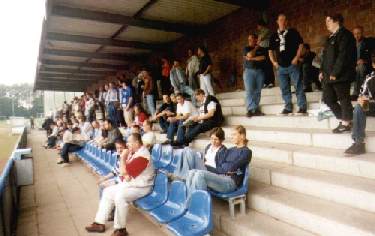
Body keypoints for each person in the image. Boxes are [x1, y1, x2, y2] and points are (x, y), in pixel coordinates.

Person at [85, 133, 155, 236]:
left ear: (136, 143)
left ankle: (120, 229)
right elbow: (123, 173)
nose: (127, 144)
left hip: (142, 187)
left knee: (120, 197)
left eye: (129, 142)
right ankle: (99, 223)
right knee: (107, 191)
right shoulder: (134, 151)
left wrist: (123, 157)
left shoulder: (144, 155)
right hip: (131, 183)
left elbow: (124, 172)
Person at [186, 125, 252, 194]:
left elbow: (233, 167)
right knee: (192, 172)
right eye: (232, 135)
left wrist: (227, 168)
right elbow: (220, 166)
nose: (232, 137)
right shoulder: (230, 150)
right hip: (220, 177)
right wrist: (226, 168)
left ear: (242, 136)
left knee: (200, 174)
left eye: (234, 135)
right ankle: (190, 200)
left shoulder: (246, 152)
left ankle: (200, 202)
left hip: (231, 182)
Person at [321, 13, 356, 133]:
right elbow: (325, 57)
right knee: (328, 99)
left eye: (329, 21)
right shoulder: (331, 37)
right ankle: (344, 119)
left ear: (336, 21)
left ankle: (346, 123)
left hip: (341, 75)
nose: (326, 24)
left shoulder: (346, 35)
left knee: (343, 98)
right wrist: (322, 71)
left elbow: (343, 56)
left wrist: (335, 72)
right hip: (328, 75)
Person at [269, 13, 307, 115]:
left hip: (292, 64)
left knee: (298, 86)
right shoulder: (273, 36)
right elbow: (270, 51)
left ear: (286, 22)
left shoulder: (293, 32)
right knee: (284, 88)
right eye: (280, 20)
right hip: (280, 67)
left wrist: (297, 57)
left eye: (284, 20)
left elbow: (301, 45)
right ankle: (288, 107)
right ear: (277, 22)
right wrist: (274, 62)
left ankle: (302, 107)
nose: (282, 22)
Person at [345, 52, 375, 155]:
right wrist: (363, 100)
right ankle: (358, 144)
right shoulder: (369, 78)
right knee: (359, 106)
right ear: (373, 65)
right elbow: (363, 95)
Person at [243, 33, 267, 117]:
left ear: (256, 40)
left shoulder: (262, 49)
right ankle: (250, 109)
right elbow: (249, 54)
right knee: (249, 91)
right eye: (249, 39)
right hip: (249, 71)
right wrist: (256, 48)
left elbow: (263, 58)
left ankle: (255, 109)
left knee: (258, 91)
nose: (250, 41)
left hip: (259, 72)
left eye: (252, 39)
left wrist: (251, 59)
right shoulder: (246, 48)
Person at [352, 26, 375, 98]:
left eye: (358, 33)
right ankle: (358, 92)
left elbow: (372, 54)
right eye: (355, 34)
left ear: (362, 33)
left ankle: (358, 92)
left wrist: (364, 61)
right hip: (353, 66)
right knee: (357, 68)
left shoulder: (368, 42)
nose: (357, 36)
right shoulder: (351, 45)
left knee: (360, 67)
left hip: (366, 65)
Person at [257, 19, 275, 88]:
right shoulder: (260, 33)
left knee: (268, 65)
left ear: (261, 25)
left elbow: (261, 39)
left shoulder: (267, 30)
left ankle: (271, 82)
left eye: (258, 26)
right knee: (263, 66)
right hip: (261, 49)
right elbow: (258, 41)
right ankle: (266, 82)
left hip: (267, 49)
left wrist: (259, 40)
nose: (257, 27)